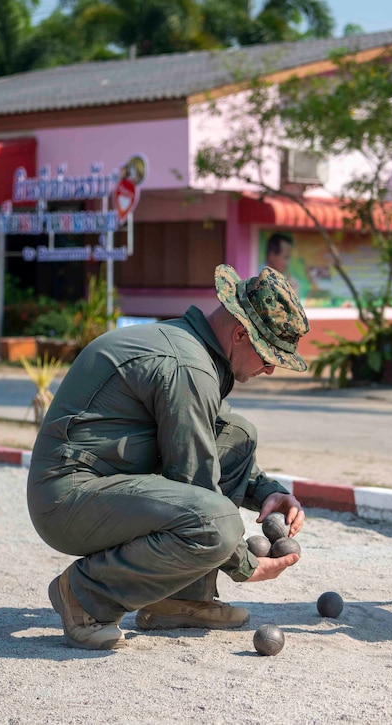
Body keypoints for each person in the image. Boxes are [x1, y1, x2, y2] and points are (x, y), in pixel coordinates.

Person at [27, 264, 311, 650]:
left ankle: (180, 599)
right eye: (268, 355)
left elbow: (219, 444)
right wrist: (244, 564)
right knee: (218, 524)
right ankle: (85, 594)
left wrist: (267, 493)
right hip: (67, 499)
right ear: (240, 334)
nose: (271, 369)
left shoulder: (190, 349)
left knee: (240, 436)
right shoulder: (189, 367)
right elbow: (195, 481)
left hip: (104, 483)